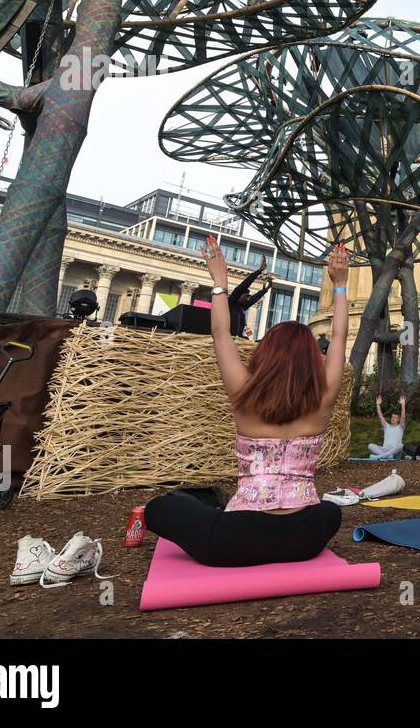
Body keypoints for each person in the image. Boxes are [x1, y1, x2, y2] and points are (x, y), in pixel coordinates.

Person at [144, 238, 350, 567]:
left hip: (236, 539)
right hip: (304, 536)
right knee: (330, 512)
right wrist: (340, 285)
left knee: (159, 509)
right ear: (313, 360)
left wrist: (220, 283)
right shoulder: (323, 397)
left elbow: (221, 334)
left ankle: (209, 505)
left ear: (265, 354)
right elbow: (339, 336)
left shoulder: (244, 392)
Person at [228, 258, 273, 340]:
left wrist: (266, 289)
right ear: (239, 295)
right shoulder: (231, 303)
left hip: (237, 339)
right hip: (228, 338)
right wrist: (258, 271)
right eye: (246, 296)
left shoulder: (242, 307)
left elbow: (254, 299)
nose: (248, 299)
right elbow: (244, 285)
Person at [368, 393, 406, 460]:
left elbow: (403, 417)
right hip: (384, 449)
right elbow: (380, 416)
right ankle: (387, 456)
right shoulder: (386, 426)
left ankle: (380, 456)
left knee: (401, 446)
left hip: (394, 451)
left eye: (395, 417)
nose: (393, 418)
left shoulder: (401, 427)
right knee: (370, 445)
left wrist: (403, 405)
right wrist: (378, 405)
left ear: (398, 419)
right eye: (392, 417)